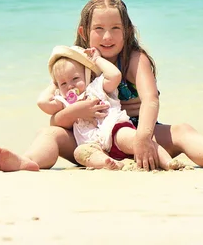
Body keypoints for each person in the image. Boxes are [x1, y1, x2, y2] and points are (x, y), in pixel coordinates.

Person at [0, 0, 203, 172]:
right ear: (84, 32)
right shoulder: (74, 64)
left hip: (134, 133)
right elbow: (56, 119)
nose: (107, 37)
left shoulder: (134, 59)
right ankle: (27, 162)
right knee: (48, 135)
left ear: (127, 30)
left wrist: (142, 137)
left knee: (183, 131)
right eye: (98, 29)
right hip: (87, 141)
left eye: (116, 28)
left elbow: (151, 99)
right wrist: (77, 112)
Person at [45, 45, 184, 171]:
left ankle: (168, 162)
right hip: (93, 143)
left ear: (87, 74)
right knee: (80, 153)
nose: (70, 86)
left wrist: (97, 59)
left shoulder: (96, 87)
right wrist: (55, 84)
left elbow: (115, 75)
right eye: (63, 83)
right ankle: (108, 163)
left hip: (114, 131)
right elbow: (42, 103)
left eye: (75, 79)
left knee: (135, 139)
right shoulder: (64, 101)